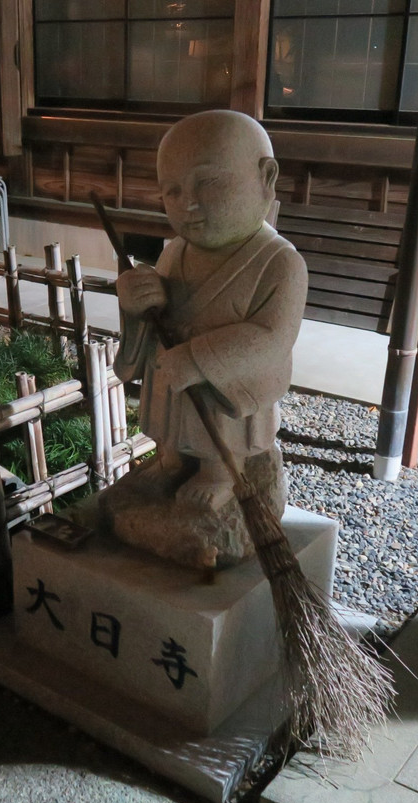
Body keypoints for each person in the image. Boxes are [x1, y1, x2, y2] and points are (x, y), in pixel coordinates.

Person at [114, 109, 308, 512]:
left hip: (225, 383)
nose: (189, 204)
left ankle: (220, 473)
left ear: (266, 178)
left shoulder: (280, 262)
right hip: (174, 374)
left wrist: (199, 358)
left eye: (208, 183)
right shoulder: (174, 253)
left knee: (220, 428)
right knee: (172, 421)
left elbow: (272, 337)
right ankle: (170, 459)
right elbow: (152, 320)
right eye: (172, 191)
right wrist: (137, 307)